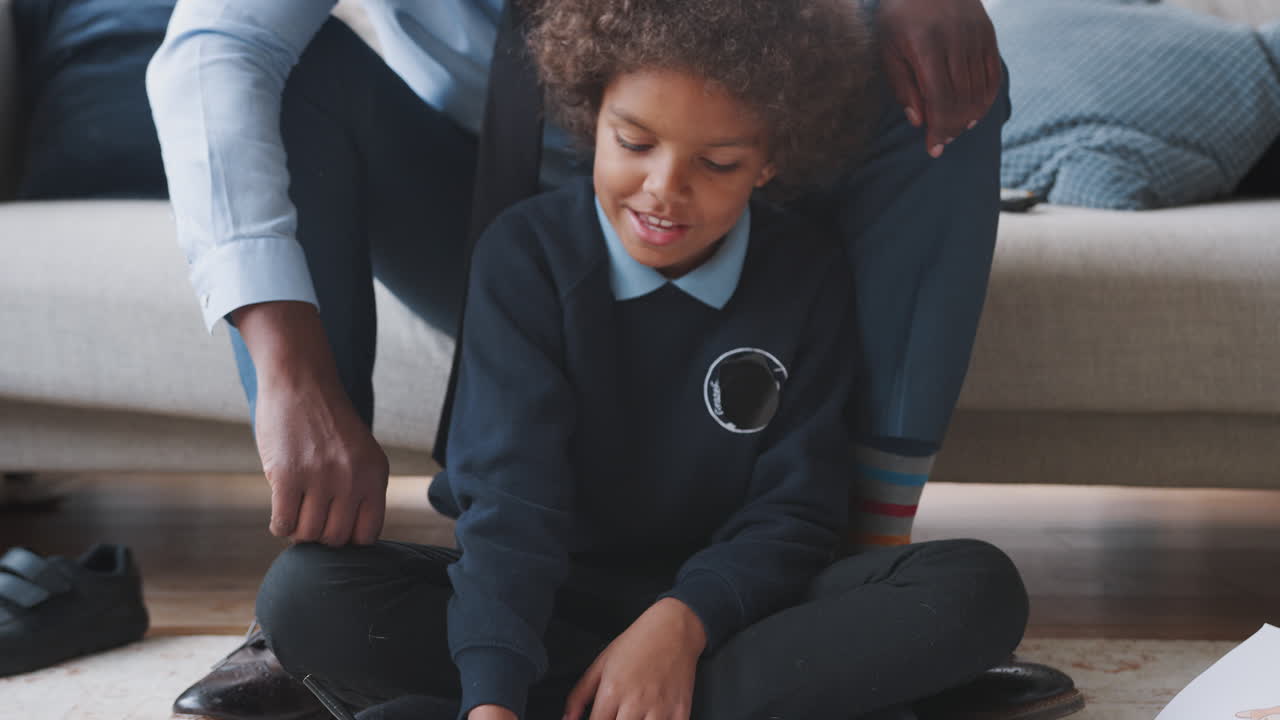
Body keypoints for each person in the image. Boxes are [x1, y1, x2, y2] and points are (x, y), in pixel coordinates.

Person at [147, 0, 1079, 717]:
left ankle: (851, 588)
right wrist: (289, 371)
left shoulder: (802, 275)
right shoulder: (524, 256)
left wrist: (679, 624)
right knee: (313, 596)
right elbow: (214, 47)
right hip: (478, 185)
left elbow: (791, 504)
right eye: (642, 147)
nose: (666, 184)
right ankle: (827, 677)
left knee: (971, 588)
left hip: (740, 132)